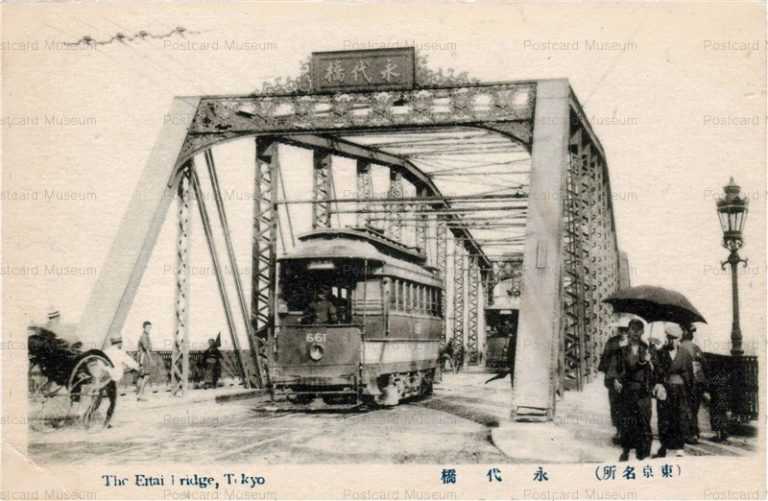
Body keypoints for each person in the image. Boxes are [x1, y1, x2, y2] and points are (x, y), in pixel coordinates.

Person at [616, 318, 654, 461]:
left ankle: (643, 454)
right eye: (632, 329)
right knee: (627, 422)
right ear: (628, 331)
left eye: (639, 329)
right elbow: (621, 369)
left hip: (643, 392)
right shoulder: (622, 350)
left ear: (643, 332)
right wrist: (616, 379)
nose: (635, 333)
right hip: (628, 391)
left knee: (644, 422)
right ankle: (625, 451)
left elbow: (657, 372)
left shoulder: (648, 349)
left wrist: (651, 363)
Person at [654, 322, 694, 458]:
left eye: (675, 338)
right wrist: (659, 384)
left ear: (679, 339)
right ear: (666, 337)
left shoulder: (685, 354)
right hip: (665, 388)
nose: (672, 340)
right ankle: (663, 446)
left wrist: (688, 390)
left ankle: (679, 448)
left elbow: (689, 374)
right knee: (664, 418)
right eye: (669, 337)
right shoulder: (660, 353)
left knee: (680, 417)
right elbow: (656, 372)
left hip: (680, 390)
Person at [598, 316, 630, 445]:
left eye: (625, 330)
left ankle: (627, 431)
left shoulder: (635, 343)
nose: (623, 333)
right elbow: (605, 360)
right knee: (615, 406)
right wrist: (612, 378)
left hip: (628, 381)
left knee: (627, 406)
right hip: (613, 380)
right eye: (620, 330)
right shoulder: (612, 342)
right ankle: (619, 430)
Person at [103, 336, 140, 428]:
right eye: (121, 343)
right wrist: (138, 367)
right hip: (112, 379)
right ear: (119, 343)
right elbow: (130, 362)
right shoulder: (119, 352)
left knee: (97, 400)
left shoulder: (105, 352)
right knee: (113, 402)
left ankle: (87, 418)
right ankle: (107, 423)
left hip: (102, 378)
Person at [680, 324, 707, 443]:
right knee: (694, 408)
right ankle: (694, 432)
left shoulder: (680, 347)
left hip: (687, 382)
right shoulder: (696, 348)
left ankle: (690, 433)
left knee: (687, 408)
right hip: (699, 382)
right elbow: (705, 365)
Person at [136, 321, 154, 401]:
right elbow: (146, 349)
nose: (149, 329)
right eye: (148, 327)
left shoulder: (146, 336)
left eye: (150, 328)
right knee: (146, 376)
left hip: (142, 357)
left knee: (141, 376)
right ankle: (140, 394)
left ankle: (139, 394)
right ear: (144, 327)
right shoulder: (144, 336)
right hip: (144, 357)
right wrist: (151, 359)